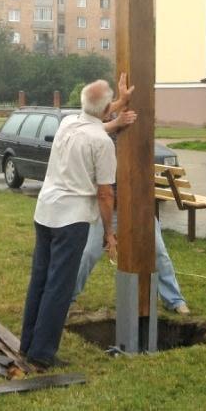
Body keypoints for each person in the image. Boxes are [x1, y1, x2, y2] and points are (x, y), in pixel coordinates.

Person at [20, 79, 126, 369]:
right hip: (72, 219)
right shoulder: (102, 142)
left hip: (45, 212)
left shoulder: (68, 123)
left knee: (40, 279)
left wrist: (119, 103)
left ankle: (28, 343)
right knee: (59, 286)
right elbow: (106, 194)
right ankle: (42, 353)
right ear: (105, 109)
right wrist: (110, 234)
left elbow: (96, 118)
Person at [71, 75, 190, 315]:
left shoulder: (138, 128)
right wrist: (118, 118)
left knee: (157, 251)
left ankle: (174, 300)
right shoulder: (97, 130)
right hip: (105, 208)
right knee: (87, 253)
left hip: (136, 206)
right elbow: (95, 124)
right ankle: (68, 298)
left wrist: (124, 105)